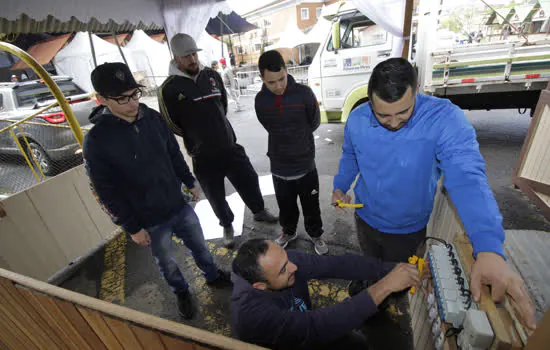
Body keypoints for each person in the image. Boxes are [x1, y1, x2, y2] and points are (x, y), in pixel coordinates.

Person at [332, 57, 537, 348]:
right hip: (365, 216)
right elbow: (350, 156)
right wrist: (340, 186)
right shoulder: (357, 119)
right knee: (370, 263)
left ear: (416, 90)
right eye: (383, 116)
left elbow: (467, 177)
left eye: (402, 113)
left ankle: (387, 300)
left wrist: (489, 248)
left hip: (408, 228)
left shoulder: (444, 119)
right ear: (370, 100)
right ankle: (370, 288)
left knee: (398, 275)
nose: (393, 123)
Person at [83, 62, 232, 320]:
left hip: (177, 204)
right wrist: (131, 228)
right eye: (121, 99)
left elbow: (173, 153)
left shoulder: (151, 116)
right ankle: (181, 292)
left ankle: (212, 275)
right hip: (148, 220)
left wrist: (190, 182)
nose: (132, 104)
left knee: (200, 245)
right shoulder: (97, 141)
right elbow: (104, 192)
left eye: (134, 94)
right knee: (166, 262)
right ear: (101, 100)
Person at [158, 33, 278, 248]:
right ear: (176, 58)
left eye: (194, 54)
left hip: (229, 146)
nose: (192, 59)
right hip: (203, 155)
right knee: (215, 195)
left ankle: (259, 211)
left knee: (249, 180)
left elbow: (222, 105)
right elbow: (172, 124)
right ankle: (227, 225)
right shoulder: (168, 89)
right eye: (186, 56)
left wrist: (219, 130)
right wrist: (196, 137)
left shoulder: (212, 75)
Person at [230, 238, 424, 349]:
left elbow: (337, 265)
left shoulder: (286, 262)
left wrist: (396, 269)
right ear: (260, 286)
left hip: (304, 329)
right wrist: (385, 286)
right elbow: (316, 327)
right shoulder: (253, 315)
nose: (294, 266)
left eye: (287, 258)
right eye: (283, 270)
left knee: (357, 345)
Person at [255, 50, 327, 255]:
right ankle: (289, 232)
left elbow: (314, 121)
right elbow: (268, 125)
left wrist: (299, 140)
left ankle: (316, 235)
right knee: (285, 206)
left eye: (282, 79)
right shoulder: (260, 100)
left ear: (287, 71)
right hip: (279, 166)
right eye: (271, 82)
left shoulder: (304, 94)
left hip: (306, 165)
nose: (278, 86)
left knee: (311, 206)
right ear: (261, 78)